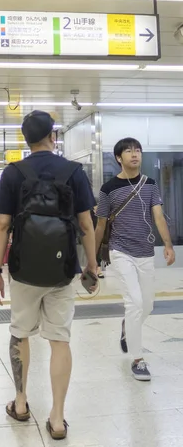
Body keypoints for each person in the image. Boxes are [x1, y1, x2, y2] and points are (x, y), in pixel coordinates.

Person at [0, 110, 97, 441]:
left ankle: (21, 403)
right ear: (54, 136)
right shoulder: (74, 172)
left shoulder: (13, 173)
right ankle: (58, 418)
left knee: (20, 333)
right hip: (63, 271)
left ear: (25, 139)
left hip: (23, 271)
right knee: (59, 339)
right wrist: (91, 267)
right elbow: (85, 225)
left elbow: (3, 226)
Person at [94, 137, 175, 381]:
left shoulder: (150, 184)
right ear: (119, 158)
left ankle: (126, 326)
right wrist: (92, 258)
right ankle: (138, 360)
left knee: (147, 304)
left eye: (137, 150)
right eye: (128, 151)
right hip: (121, 252)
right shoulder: (108, 189)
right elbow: (100, 226)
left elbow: (158, 216)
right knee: (135, 303)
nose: (134, 154)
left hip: (145, 252)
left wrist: (168, 245)